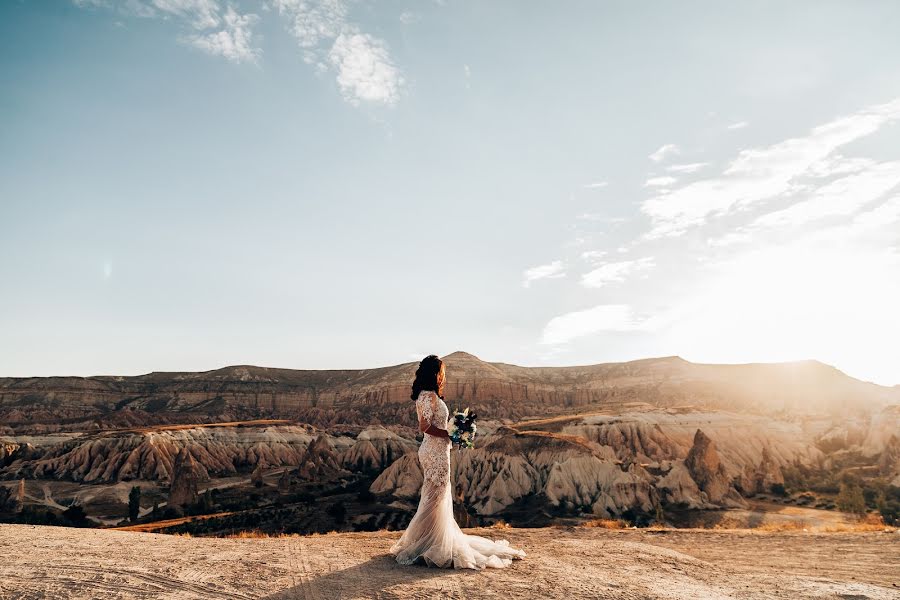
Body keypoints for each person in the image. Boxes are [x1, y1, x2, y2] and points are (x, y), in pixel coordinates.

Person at [389, 354, 527, 569]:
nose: (444, 376)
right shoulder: (429, 396)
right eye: (442, 372)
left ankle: (427, 540)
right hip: (435, 450)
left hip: (435, 449)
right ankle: (428, 544)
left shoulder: (426, 395)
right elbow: (425, 427)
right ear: (435, 373)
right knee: (435, 496)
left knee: (434, 496)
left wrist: (452, 433)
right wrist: (450, 434)